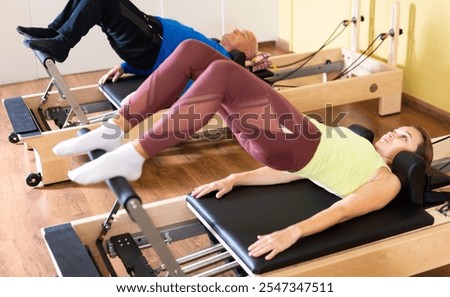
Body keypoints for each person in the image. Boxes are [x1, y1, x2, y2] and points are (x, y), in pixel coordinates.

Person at [52, 39, 433, 261]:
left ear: (410, 157)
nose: (392, 134)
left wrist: (293, 232)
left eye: (403, 139)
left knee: (224, 73)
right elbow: (298, 171)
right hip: (281, 139)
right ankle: (116, 127)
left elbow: (343, 210)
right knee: (193, 53)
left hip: (295, 138)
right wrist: (238, 177)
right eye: (397, 129)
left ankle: (136, 153)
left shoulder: (387, 180)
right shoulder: (360, 142)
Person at [16, 0, 258, 86]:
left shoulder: (224, 62)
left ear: (243, 54)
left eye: (242, 34)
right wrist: (125, 67)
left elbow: (190, 81)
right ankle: (53, 32)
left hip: (150, 43)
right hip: (146, 39)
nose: (236, 30)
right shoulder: (213, 47)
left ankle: (62, 43)